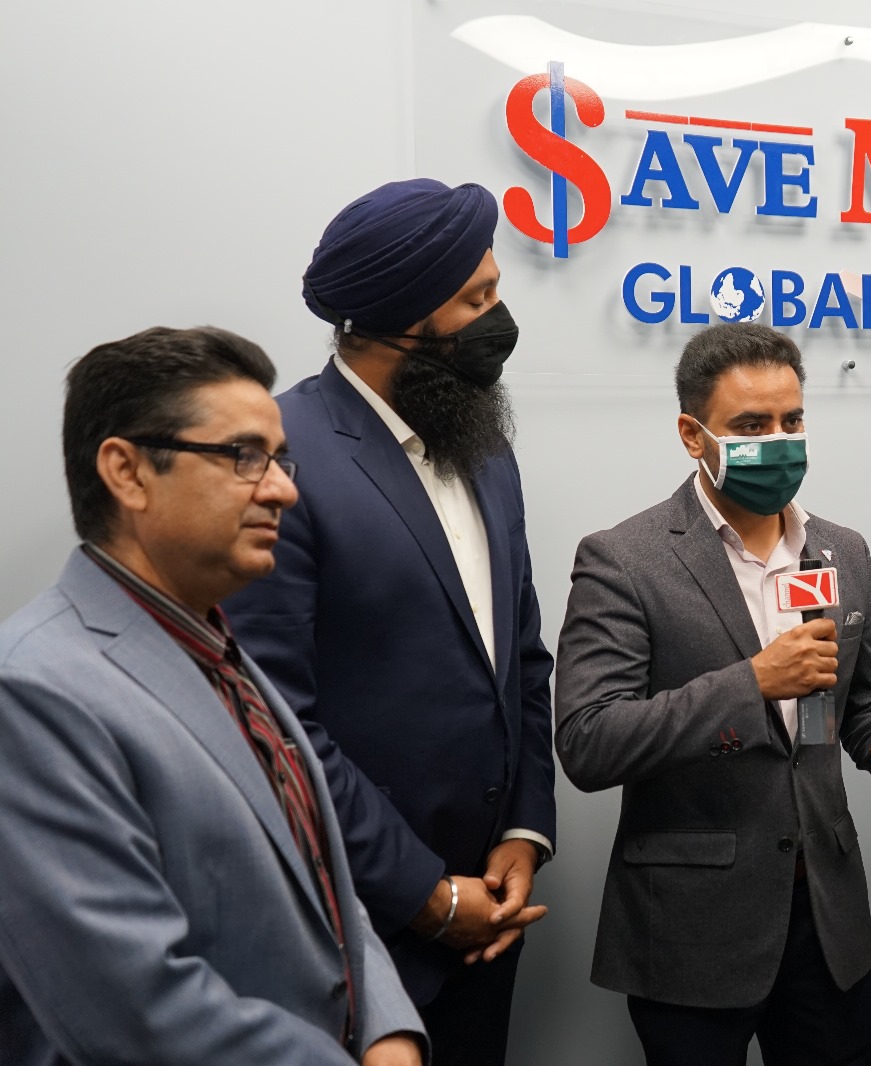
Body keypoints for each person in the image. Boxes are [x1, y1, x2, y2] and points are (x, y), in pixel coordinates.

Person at [0, 327, 424, 1065]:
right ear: (127, 472)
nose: (284, 488)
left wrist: (389, 1031)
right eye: (243, 456)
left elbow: (320, 884)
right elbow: (133, 1012)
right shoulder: (36, 691)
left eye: (279, 458)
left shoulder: (219, 651)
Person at [224, 178, 555, 1066]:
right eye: (477, 299)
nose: (498, 319)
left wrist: (523, 834)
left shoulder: (484, 447)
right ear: (402, 319)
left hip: (493, 920)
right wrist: (428, 898)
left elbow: (521, 660)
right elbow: (277, 725)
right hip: (351, 935)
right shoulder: (282, 456)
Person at [554, 322, 871, 1066]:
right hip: (692, 929)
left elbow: (862, 702)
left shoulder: (842, 550)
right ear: (692, 435)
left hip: (826, 922)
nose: (779, 442)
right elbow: (589, 741)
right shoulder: (625, 560)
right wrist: (751, 683)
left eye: (792, 422)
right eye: (752, 426)